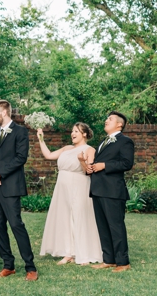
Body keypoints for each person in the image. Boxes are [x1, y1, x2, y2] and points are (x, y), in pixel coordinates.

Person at [0, 100, 38, 281]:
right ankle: (8, 265)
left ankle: (30, 267)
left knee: (16, 225)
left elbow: (20, 158)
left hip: (11, 187)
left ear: (4, 113)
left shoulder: (21, 132)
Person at [37, 123, 101, 265]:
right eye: (72, 131)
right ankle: (68, 252)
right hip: (63, 186)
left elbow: (89, 171)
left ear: (84, 134)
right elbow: (48, 155)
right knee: (65, 218)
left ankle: (81, 251)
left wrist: (81, 161)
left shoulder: (90, 150)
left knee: (78, 216)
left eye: (76, 131)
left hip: (79, 185)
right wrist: (41, 139)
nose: (73, 133)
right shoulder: (67, 148)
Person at [85, 112, 135, 272]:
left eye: (110, 119)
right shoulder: (103, 142)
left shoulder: (125, 141)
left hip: (113, 191)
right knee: (103, 226)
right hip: (98, 189)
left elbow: (127, 163)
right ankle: (109, 259)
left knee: (116, 226)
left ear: (119, 124)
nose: (106, 120)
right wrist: (92, 167)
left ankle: (123, 262)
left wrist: (104, 165)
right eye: (107, 118)